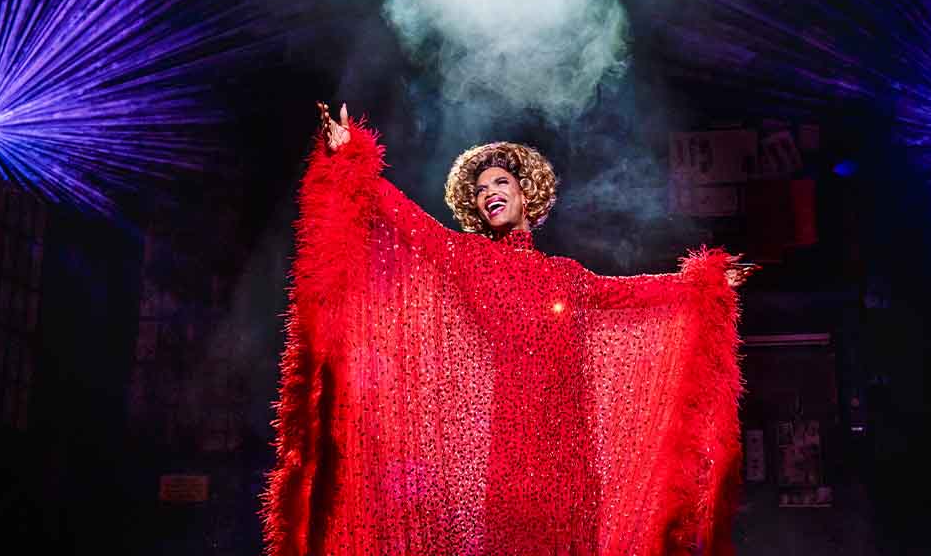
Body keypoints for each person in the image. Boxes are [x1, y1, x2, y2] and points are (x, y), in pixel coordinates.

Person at [262, 103, 752, 556]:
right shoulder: (469, 259)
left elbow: (639, 293)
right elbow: (408, 221)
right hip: (511, 468)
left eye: (501, 183)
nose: (490, 193)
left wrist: (704, 283)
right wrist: (352, 154)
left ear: (525, 193)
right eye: (480, 190)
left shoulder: (567, 275)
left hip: (572, 470)